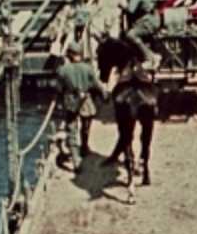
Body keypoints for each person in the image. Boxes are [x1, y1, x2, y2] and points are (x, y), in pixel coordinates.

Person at [105, 59, 158, 188]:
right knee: (147, 134)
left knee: (125, 134)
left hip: (126, 74)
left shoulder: (122, 51)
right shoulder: (144, 52)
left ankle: (130, 180)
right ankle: (145, 169)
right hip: (142, 74)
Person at [54, 40, 104, 171]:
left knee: (71, 131)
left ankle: (76, 160)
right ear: (80, 54)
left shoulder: (62, 70)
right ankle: (85, 147)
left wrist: (59, 102)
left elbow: (59, 89)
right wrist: (105, 96)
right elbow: (96, 85)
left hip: (70, 102)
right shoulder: (88, 68)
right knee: (86, 126)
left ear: (70, 55)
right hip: (86, 101)